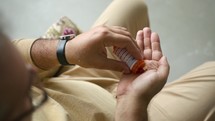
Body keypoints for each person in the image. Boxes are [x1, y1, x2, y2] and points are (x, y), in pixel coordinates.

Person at [0, 0, 214, 121]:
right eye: (27, 94)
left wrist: (67, 50)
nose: (32, 74)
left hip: (74, 82)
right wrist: (132, 103)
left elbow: (20, 55)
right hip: (123, 113)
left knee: (131, 5)